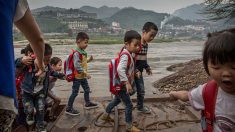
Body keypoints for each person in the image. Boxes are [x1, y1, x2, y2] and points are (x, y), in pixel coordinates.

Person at [169, 28, 235, 132]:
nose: (226, 73)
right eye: (216, 67)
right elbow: (187, 95)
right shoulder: (208, 91)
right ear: (206, 67)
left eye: (234, 67)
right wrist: (174, 93)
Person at [0, 0, 45, 131]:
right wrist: (40, 65)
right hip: (4, 93)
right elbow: (38, 39)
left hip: (31, 94)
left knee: (39, 108)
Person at [102, 30, 141, 132]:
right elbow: (120, 69)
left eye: (139, 45)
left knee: (117, 100)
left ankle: (105, 114)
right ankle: (129, 126)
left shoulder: (129, 52)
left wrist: (136, 71)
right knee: (129, 105)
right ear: (127, 44)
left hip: (120, 85)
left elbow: (130, 67)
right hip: (122, 85)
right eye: (136, 45)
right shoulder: (125, 55)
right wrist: (127, 83)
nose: (138, 47)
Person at [17, 44, 53, 132]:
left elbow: (52, 72)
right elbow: (16, 64)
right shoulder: (28, 65)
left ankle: (40, 126)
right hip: (27, 93)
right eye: (44, 60)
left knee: (41, 109)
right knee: (29, 109)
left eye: (48, 60)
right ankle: (29, 115)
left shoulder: (47, 66)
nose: (46, 62)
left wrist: (61, 75)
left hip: (40, 92)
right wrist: (22, 60)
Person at [66, 32, 98, 116]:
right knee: (75, 93)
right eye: (85, 42)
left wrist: (89, 59)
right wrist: (85, 73)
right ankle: (69, 108)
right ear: (78, 41)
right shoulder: (77, 53)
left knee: (87, 89)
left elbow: (82, 62)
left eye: (87, 42)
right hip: (77, 77)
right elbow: (77, 65)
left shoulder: (82, 52)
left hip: (83, 76)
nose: (87, 44)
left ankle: (87, 103)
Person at [135, 22, 158, 113]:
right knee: (129, 91)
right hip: (131, 71)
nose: (152, 38)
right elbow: (131, 60)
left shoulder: (146, 45)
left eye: (154, 36)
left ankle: (140, 107)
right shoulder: (136, 44)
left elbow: (143, 59)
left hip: (139, 73)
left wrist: (147, 67)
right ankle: (116, 99)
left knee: (141, 90)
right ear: (144, 32)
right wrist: (135, 70)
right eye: (151, 35)